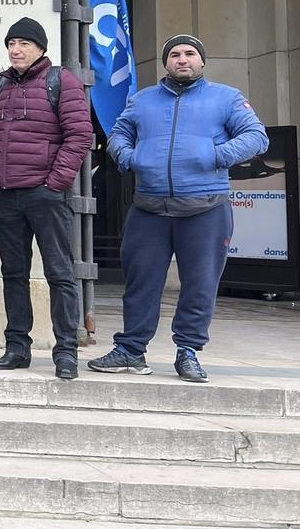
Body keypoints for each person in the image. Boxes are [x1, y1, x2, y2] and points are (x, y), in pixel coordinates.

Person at [89, 34, 268, 382]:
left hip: (206, 208)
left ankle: (188, 351)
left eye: (189, 54)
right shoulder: (142, 101)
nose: (181, 59)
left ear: (201, 61)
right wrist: (129, 157)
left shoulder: (227, 98)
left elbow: (256, 136)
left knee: (199, 285)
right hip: (149, 207)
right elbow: (118, 135)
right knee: (140, 283)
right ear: (165, 62)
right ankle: (131, 350)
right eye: (174, 54)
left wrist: (216, 155)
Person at [0, 17, 94, 379]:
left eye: (24, 43)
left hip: (45, 195)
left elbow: (79, 136)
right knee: (13, 274)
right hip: (5, 194)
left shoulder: (62, 81)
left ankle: (66, 351)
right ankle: (17, 347)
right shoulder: (0, 85)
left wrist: (54, 183)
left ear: (41, 48)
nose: (16, 49)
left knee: (59, 274)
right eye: (11, 43)